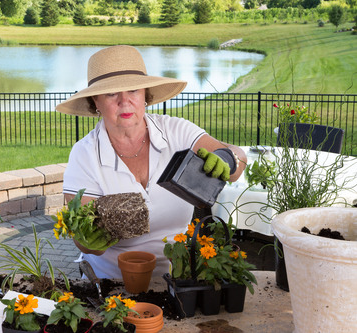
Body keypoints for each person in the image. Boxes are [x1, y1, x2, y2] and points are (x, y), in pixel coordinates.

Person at [56, 45, 247, 279]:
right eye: (111, 93)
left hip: (180, 277)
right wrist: (90, 241)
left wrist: (229, 159)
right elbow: (83, 240)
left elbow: (235, 159)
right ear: (95, 101)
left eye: (133, 90)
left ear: (145, 94)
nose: (124, 101)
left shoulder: (176, 132)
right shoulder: (84, 154)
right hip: (112, 284)